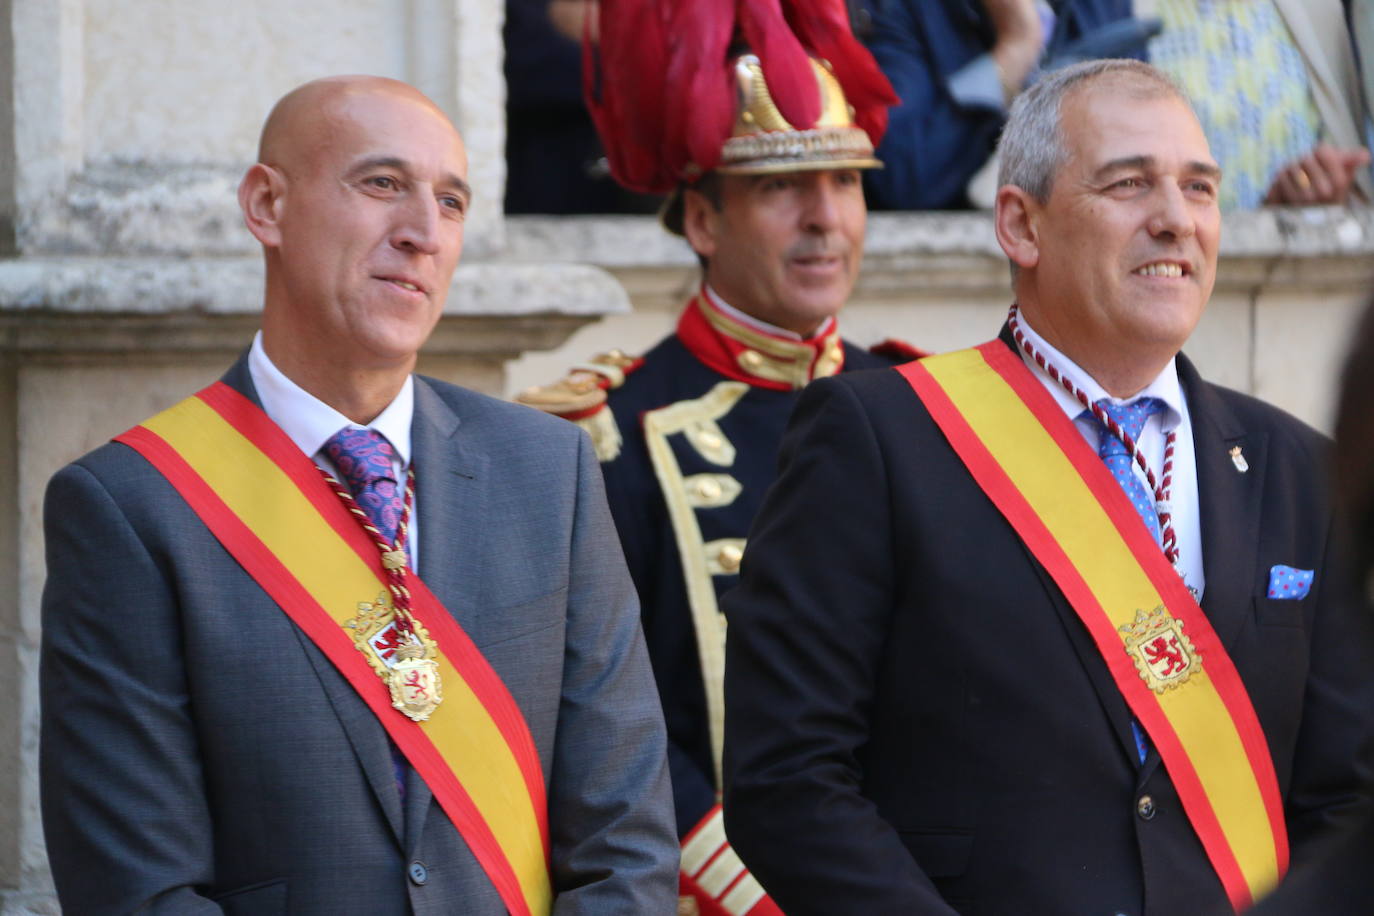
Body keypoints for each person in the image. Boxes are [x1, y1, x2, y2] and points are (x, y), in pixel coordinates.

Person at [722, 58, 1374, 914]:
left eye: (1201, 189)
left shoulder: (1296, 466)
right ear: (1021, 225)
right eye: (1129, 184)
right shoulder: (879, 436)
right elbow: (788, 776)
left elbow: (1347, 797)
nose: (1176, 221)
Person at [39, 75, 677, 914]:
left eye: (451, 202)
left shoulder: (547, 469)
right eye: (382, 184)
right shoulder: (132, 505)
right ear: (267, 205)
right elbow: (138, 889)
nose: (423, 233)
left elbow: (626, 844)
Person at [516, 2, 916, 913]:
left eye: (846, 183)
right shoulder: (607, 434)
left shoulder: (920, 408)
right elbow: (603, 730)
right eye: (784, 188)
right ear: (702, 219)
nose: (826, 219)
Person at [862, 0, 1152, 209]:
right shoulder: (902, 10)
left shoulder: (1102, 7)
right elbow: (904, 184)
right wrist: (1017, 45)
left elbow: (1134, 171)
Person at [1143, 0, 1371, 209]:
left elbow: (1357, 186)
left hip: (1304, 251)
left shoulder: (1322, 10)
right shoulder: (1116, 12)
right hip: (1165, 247)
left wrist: (1319, 186)